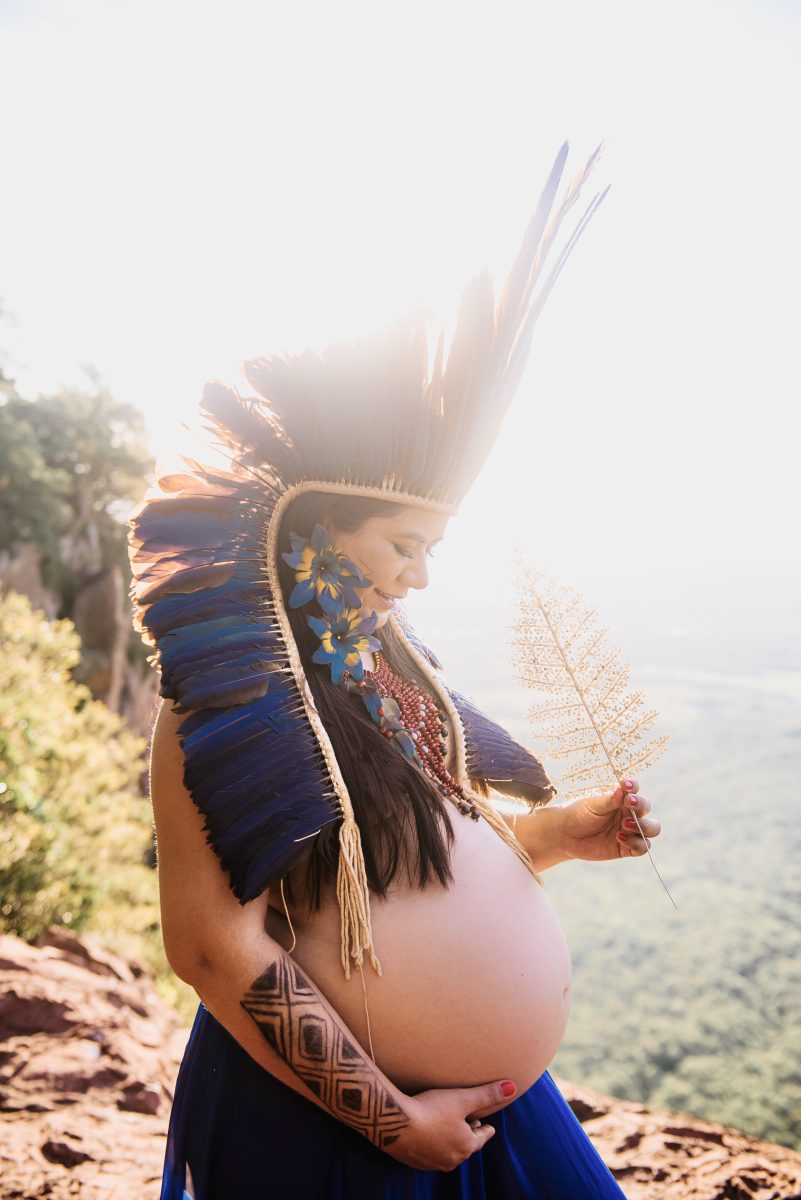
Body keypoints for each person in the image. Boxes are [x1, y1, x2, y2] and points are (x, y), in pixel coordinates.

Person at [130, 144, 660, 1198]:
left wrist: (553, 836)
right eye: (402, 547)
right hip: (331, 1119)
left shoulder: (388, 674)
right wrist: (393, 1119)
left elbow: (408, 869)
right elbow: (209, 946)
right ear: (316, 534)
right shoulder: (217, 713)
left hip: (495, 1105)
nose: (416, 582)